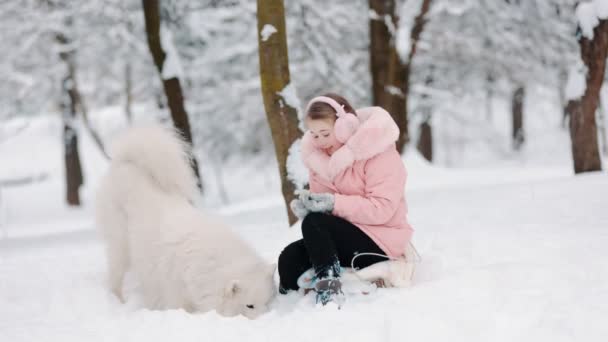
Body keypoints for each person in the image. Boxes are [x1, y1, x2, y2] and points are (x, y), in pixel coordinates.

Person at [278, 93, 414, 305]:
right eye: (314, 135)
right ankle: (285, 307)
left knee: (315, 223)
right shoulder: (319, 160)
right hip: (344, 237)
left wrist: (333, 204)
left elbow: (382, 208)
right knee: (289, 257)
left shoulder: (380, 154)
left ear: (346, 127)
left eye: (325, 133)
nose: (320, 142)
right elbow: (327, 218)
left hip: (381, 240)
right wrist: (312, 206)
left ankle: (329, 291)